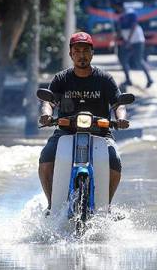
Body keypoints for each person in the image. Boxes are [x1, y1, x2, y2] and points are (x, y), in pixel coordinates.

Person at [38, 32, 130, 214]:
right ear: (71, 54)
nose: (82, 55)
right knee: (46, 160)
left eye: (86, 50)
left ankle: (107, 206)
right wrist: (46, 115)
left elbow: (118, 103)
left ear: (92, 53)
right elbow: (48, 102)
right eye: (77, 50)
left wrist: (120, 118)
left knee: (115, 162)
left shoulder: (104, 79)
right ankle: (50, 205)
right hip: (65, 131)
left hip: (101, 132)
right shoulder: (61, 79)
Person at [117, 9, 154, 89]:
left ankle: (149, 79)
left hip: (137, 41)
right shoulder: (121, 18)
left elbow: (133, 27)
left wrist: (129, 40)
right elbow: (121, 31)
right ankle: (128, 79)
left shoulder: (131, 15)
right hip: (127, 41)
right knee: (123, 60)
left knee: (138, 60)